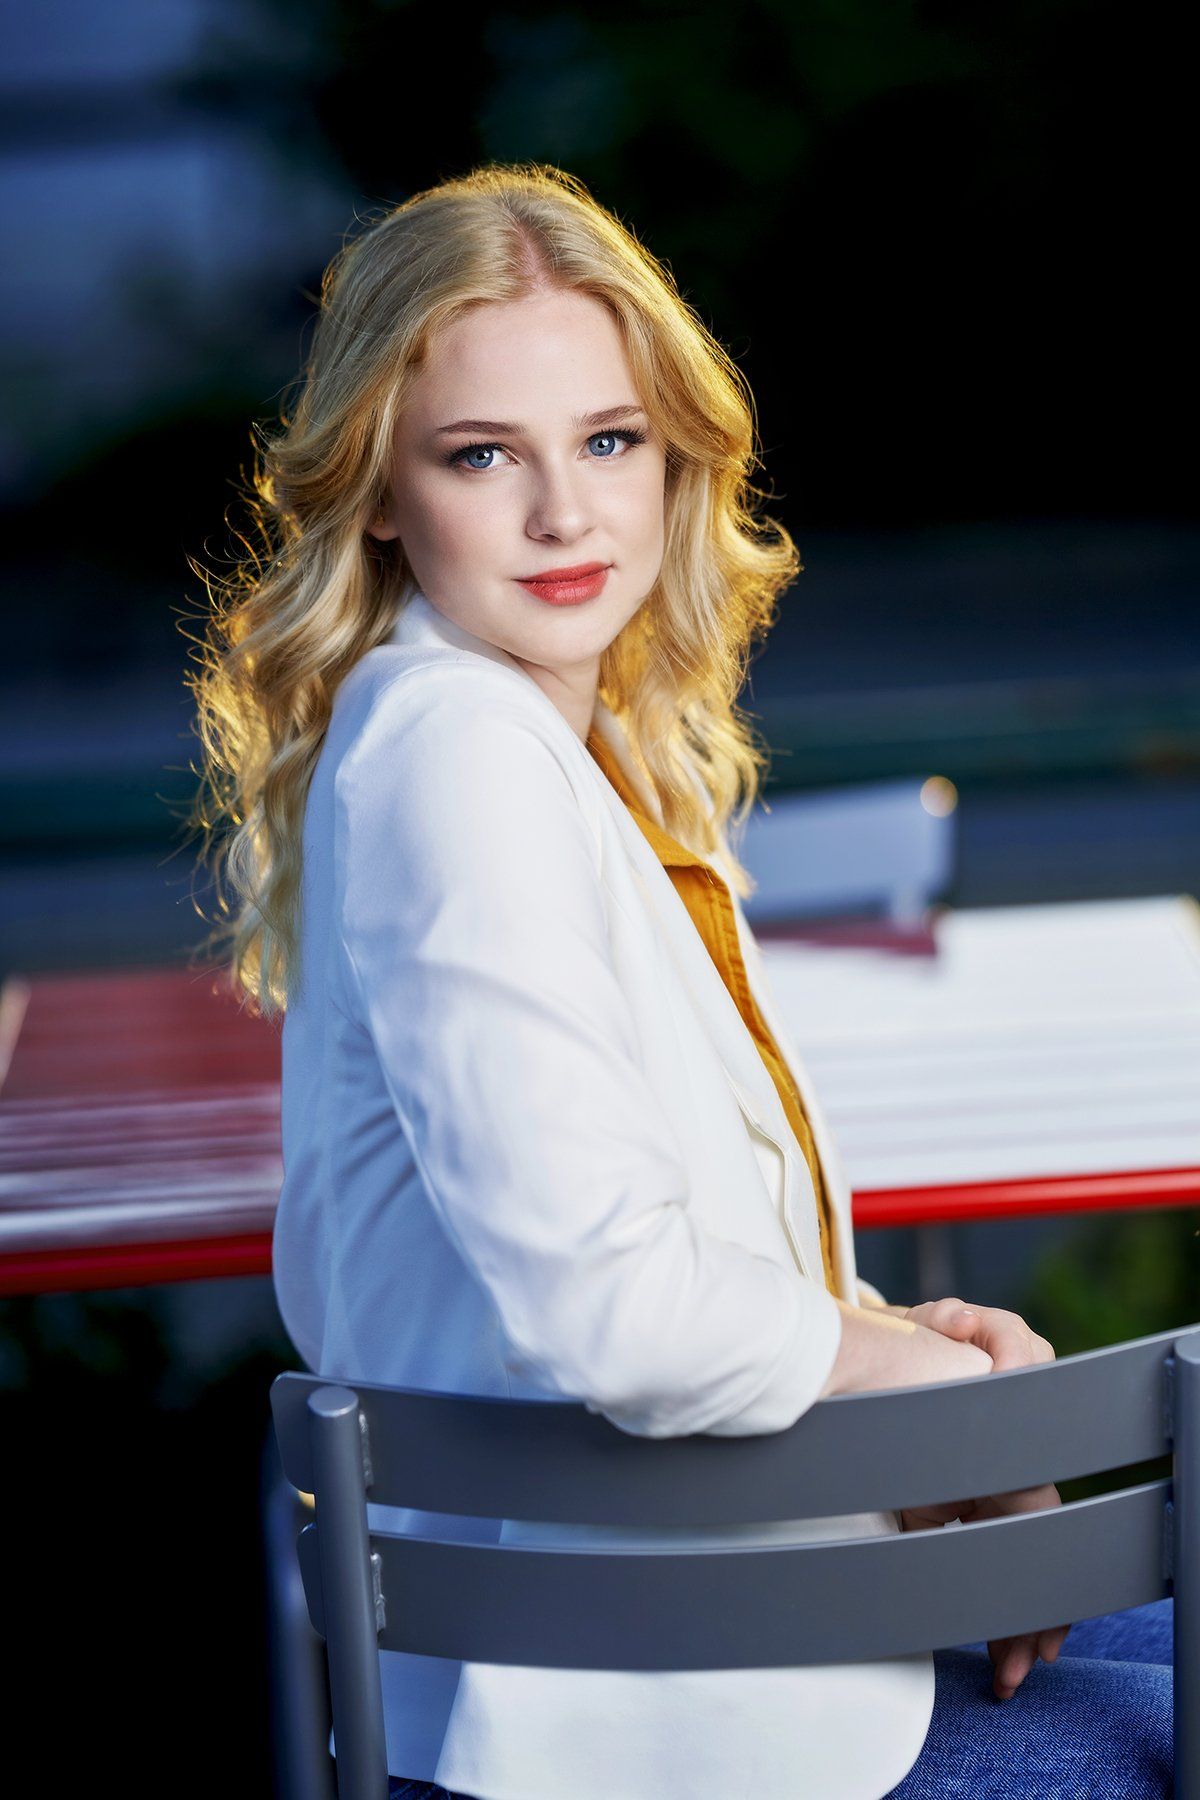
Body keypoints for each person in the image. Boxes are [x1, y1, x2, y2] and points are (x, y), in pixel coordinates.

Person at [187, 162, 1173, 1799]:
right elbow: (613, 1307)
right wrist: (933, 1400)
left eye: (610, 441)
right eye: (483, 455)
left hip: (700, 1633)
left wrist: (881, 1339)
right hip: (660, 1709)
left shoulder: (513, 738)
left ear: (671, 459)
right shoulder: (457, 757)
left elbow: (633, 1247)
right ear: (376, 488)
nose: (566, 516)